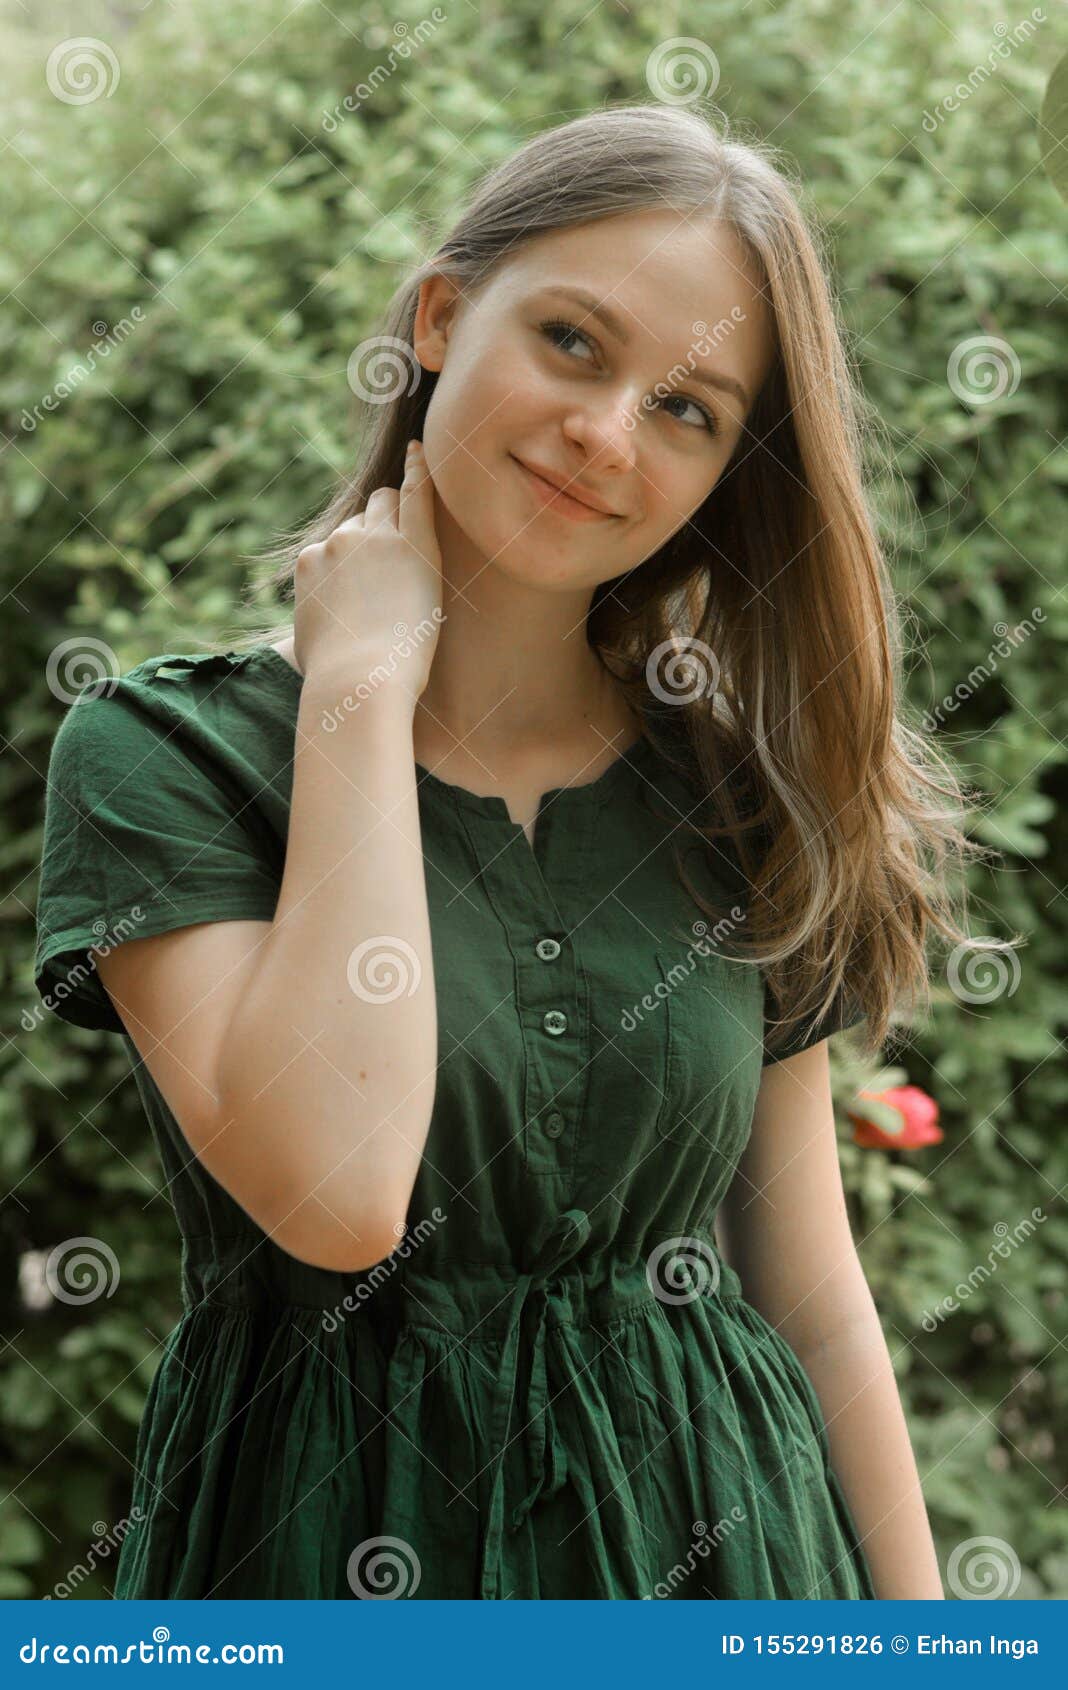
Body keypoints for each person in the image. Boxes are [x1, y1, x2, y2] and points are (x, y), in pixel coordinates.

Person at [33, 103, 979, 1600]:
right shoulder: (169, 756)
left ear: (730, 469)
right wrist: (355, 692)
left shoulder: (730, 788)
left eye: (689, 410)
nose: (604, 434)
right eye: (574, 343)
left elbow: (809, 1284)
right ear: (444, 313)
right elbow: (339, 1198)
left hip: (729, 1566)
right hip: (320, 1555)